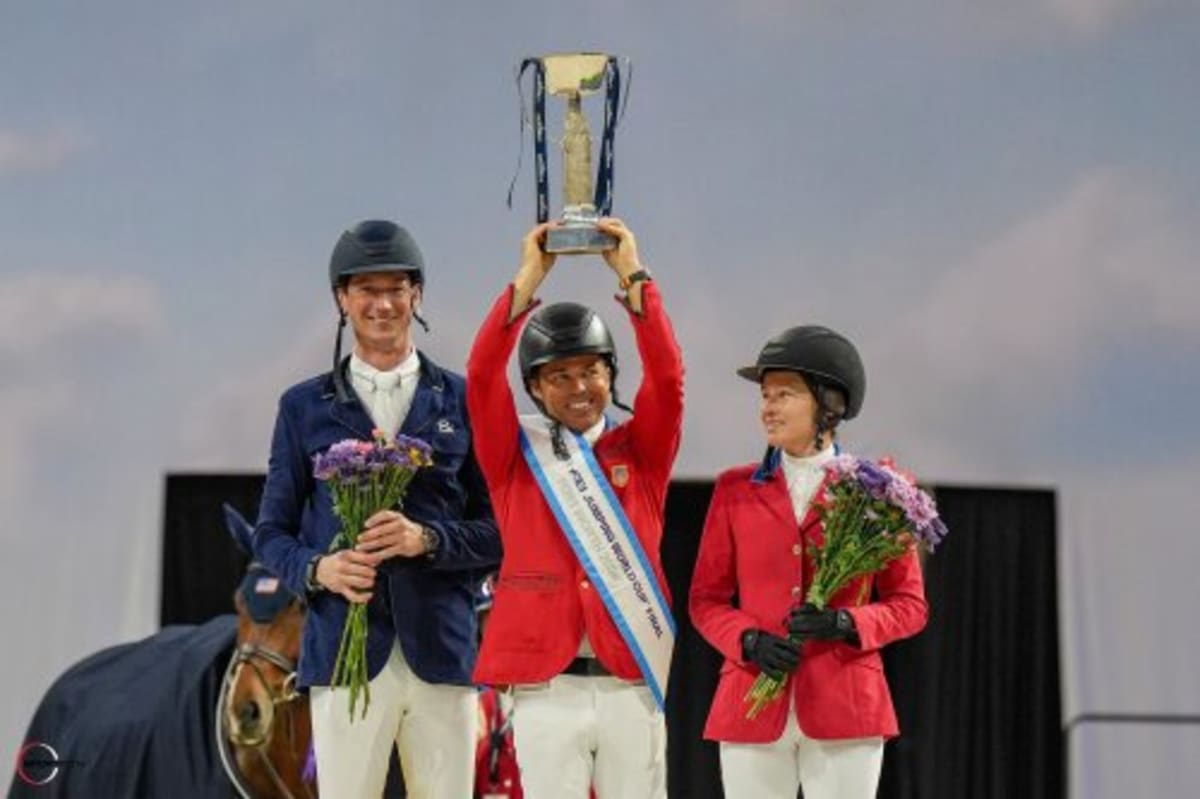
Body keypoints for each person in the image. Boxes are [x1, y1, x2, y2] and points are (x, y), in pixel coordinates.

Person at [253, 219, 501, 799]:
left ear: (417, 294)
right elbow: (271, 533)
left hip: (441, 649)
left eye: (396, 288)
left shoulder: (468, 400)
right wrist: (319, 569)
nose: (383, 303)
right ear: (343, 298)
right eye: (367, 289)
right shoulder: (301, 407)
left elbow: (501, 529)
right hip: (343, 653)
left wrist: (429, 540)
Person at [466, 218, 684, 799]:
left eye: (591, 370)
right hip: (546, 687)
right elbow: (483, 376)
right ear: (535, 390)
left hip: (629, 680)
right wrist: (526, 280)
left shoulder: (642, 452)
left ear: (611, 375)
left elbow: (668, 374)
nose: (579, 386)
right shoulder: (513, 458)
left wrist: (634, 276)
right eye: (559, 376)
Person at [689, 325, 928, 799]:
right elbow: (705, 600)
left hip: (847, 703)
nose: (767, 407)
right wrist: (748, 640)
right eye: (764, 394)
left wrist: (846, 621)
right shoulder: (733, 490)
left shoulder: (876, 492)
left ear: (829, 405)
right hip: (751, 701)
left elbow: (910, 605)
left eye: (785, 394)